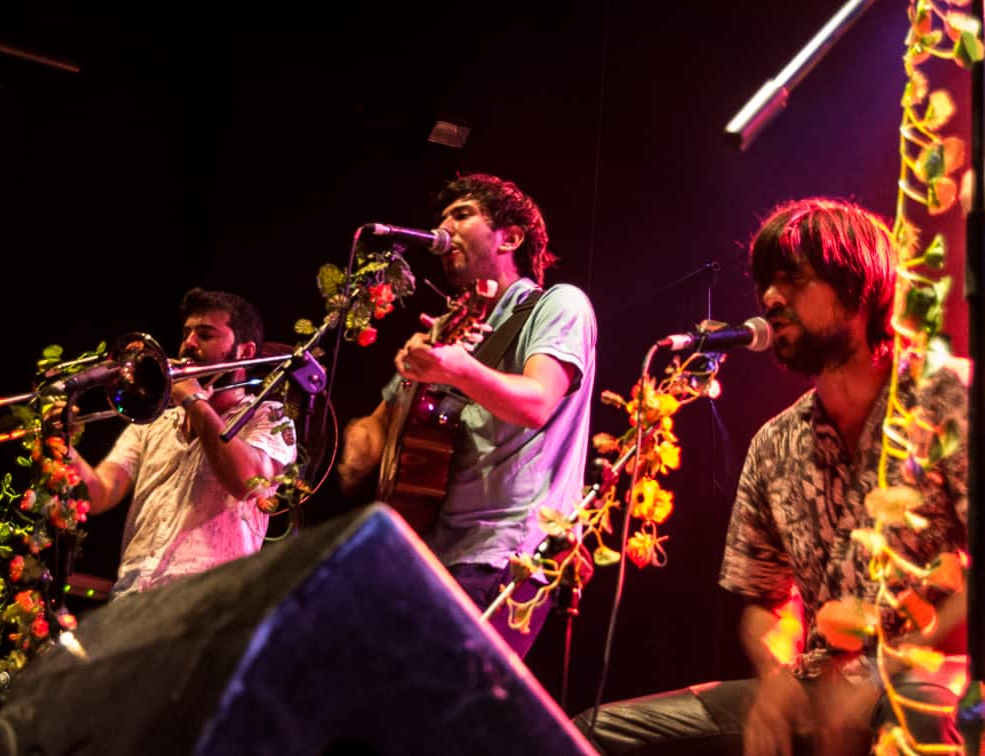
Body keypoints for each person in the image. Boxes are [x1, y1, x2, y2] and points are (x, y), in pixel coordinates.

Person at [575, 197, 969, 754]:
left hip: (939, 668)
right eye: (765, 283)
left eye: (792, 280)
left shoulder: (948, 394)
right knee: (596, 732)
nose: (768, 298)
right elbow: (763, 600)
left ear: (857, 287)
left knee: (921, 716)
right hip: (821, 681)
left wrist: (885, 673)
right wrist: (779, 675)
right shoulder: (773, 443)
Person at [338, 173, 598, 657]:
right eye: (441, 218)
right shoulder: (449, 326)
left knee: (444, 713)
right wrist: (362, 444)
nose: (444, 229)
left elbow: (537, 402)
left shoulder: (558, 304)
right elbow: (379, 423)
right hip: (431, 552)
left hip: (507, 553)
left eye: (461, 215)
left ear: (511, 237)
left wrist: (457, 370)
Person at [68, 288, 298, 599]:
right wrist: (64, 445)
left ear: (244, 353)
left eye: (205, 335)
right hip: (133, 594)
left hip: (209, 603)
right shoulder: (155, 422)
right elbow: (100, 494)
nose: (188, 344)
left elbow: (248, 482)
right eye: (186, 333)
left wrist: (193, 400)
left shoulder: (267, 416)